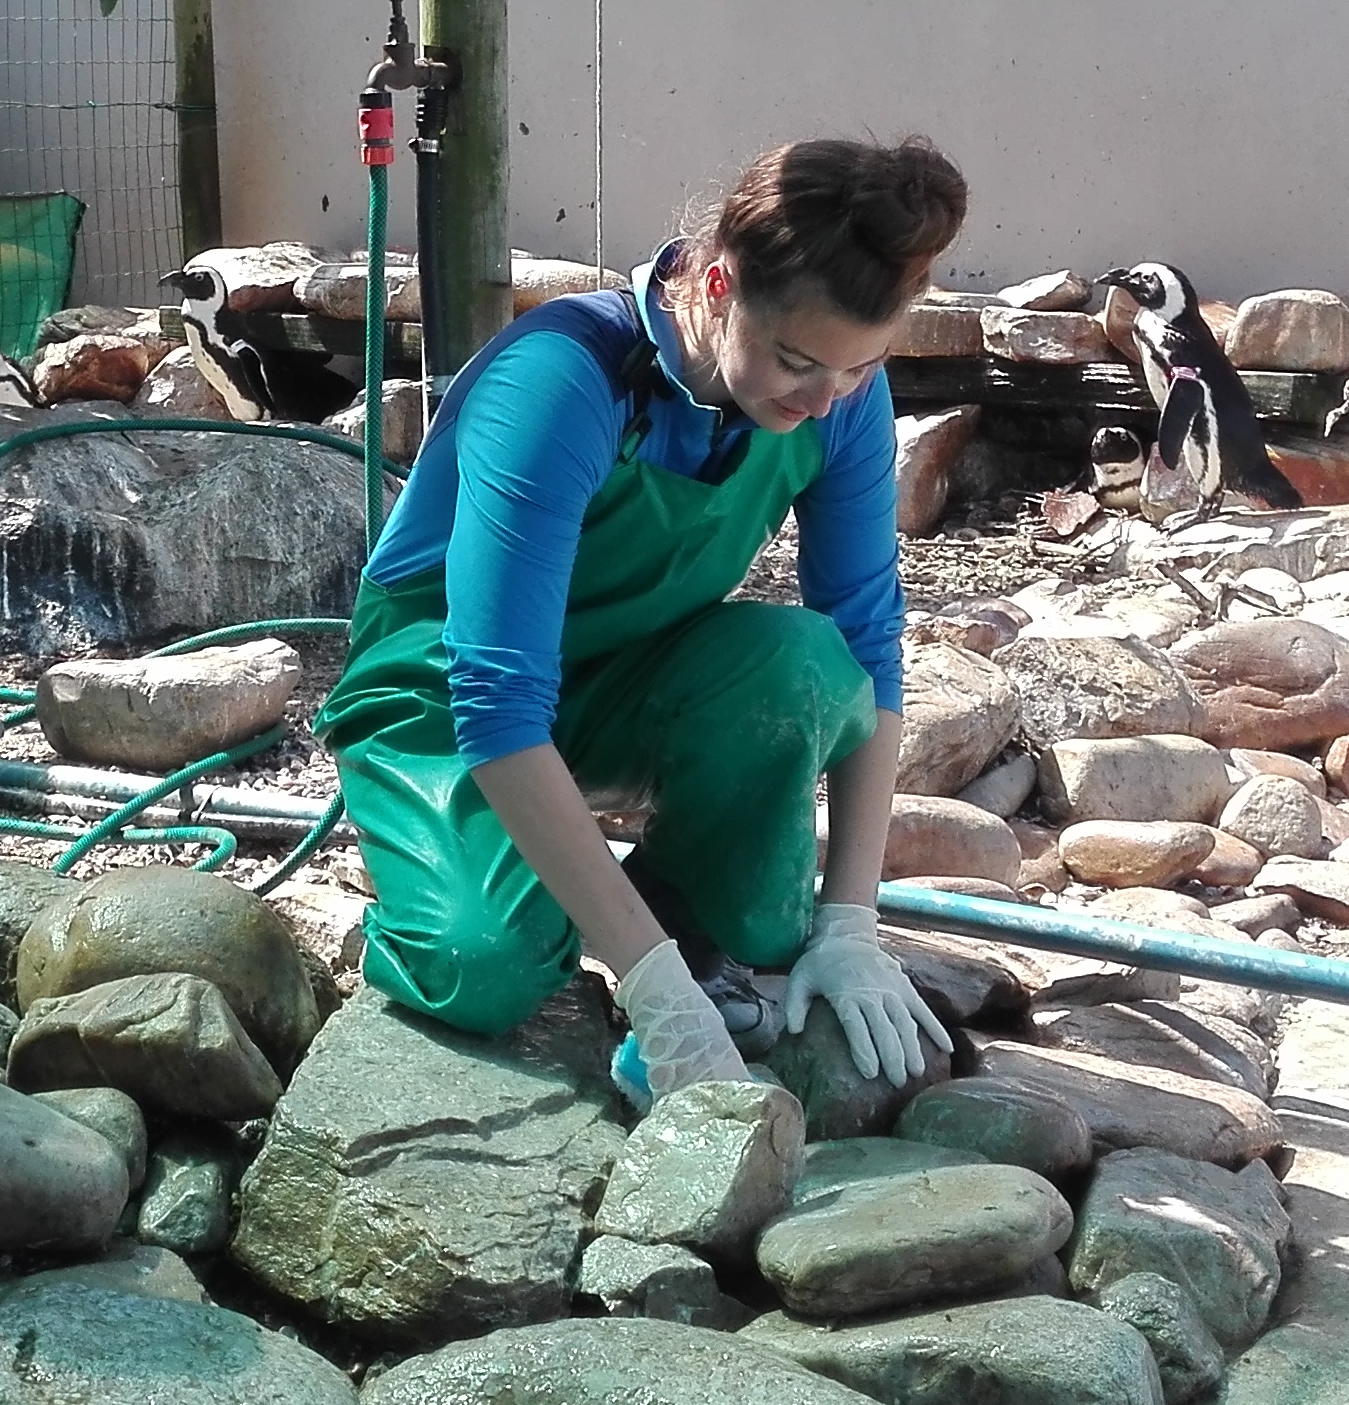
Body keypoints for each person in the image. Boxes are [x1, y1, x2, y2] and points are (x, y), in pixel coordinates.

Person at [320, 138, 966, 1110]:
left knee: (803, 681)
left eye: (859, 366)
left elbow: (866, 642)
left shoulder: (839, 392)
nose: (823, 398)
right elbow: (495, 700)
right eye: (796, 360)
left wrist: (849, 922)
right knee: (483, 965)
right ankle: (447, 887)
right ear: (718, 285)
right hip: (441, 697)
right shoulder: (559, 380)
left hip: (629, 676)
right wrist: (654, 990)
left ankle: (666, 913)